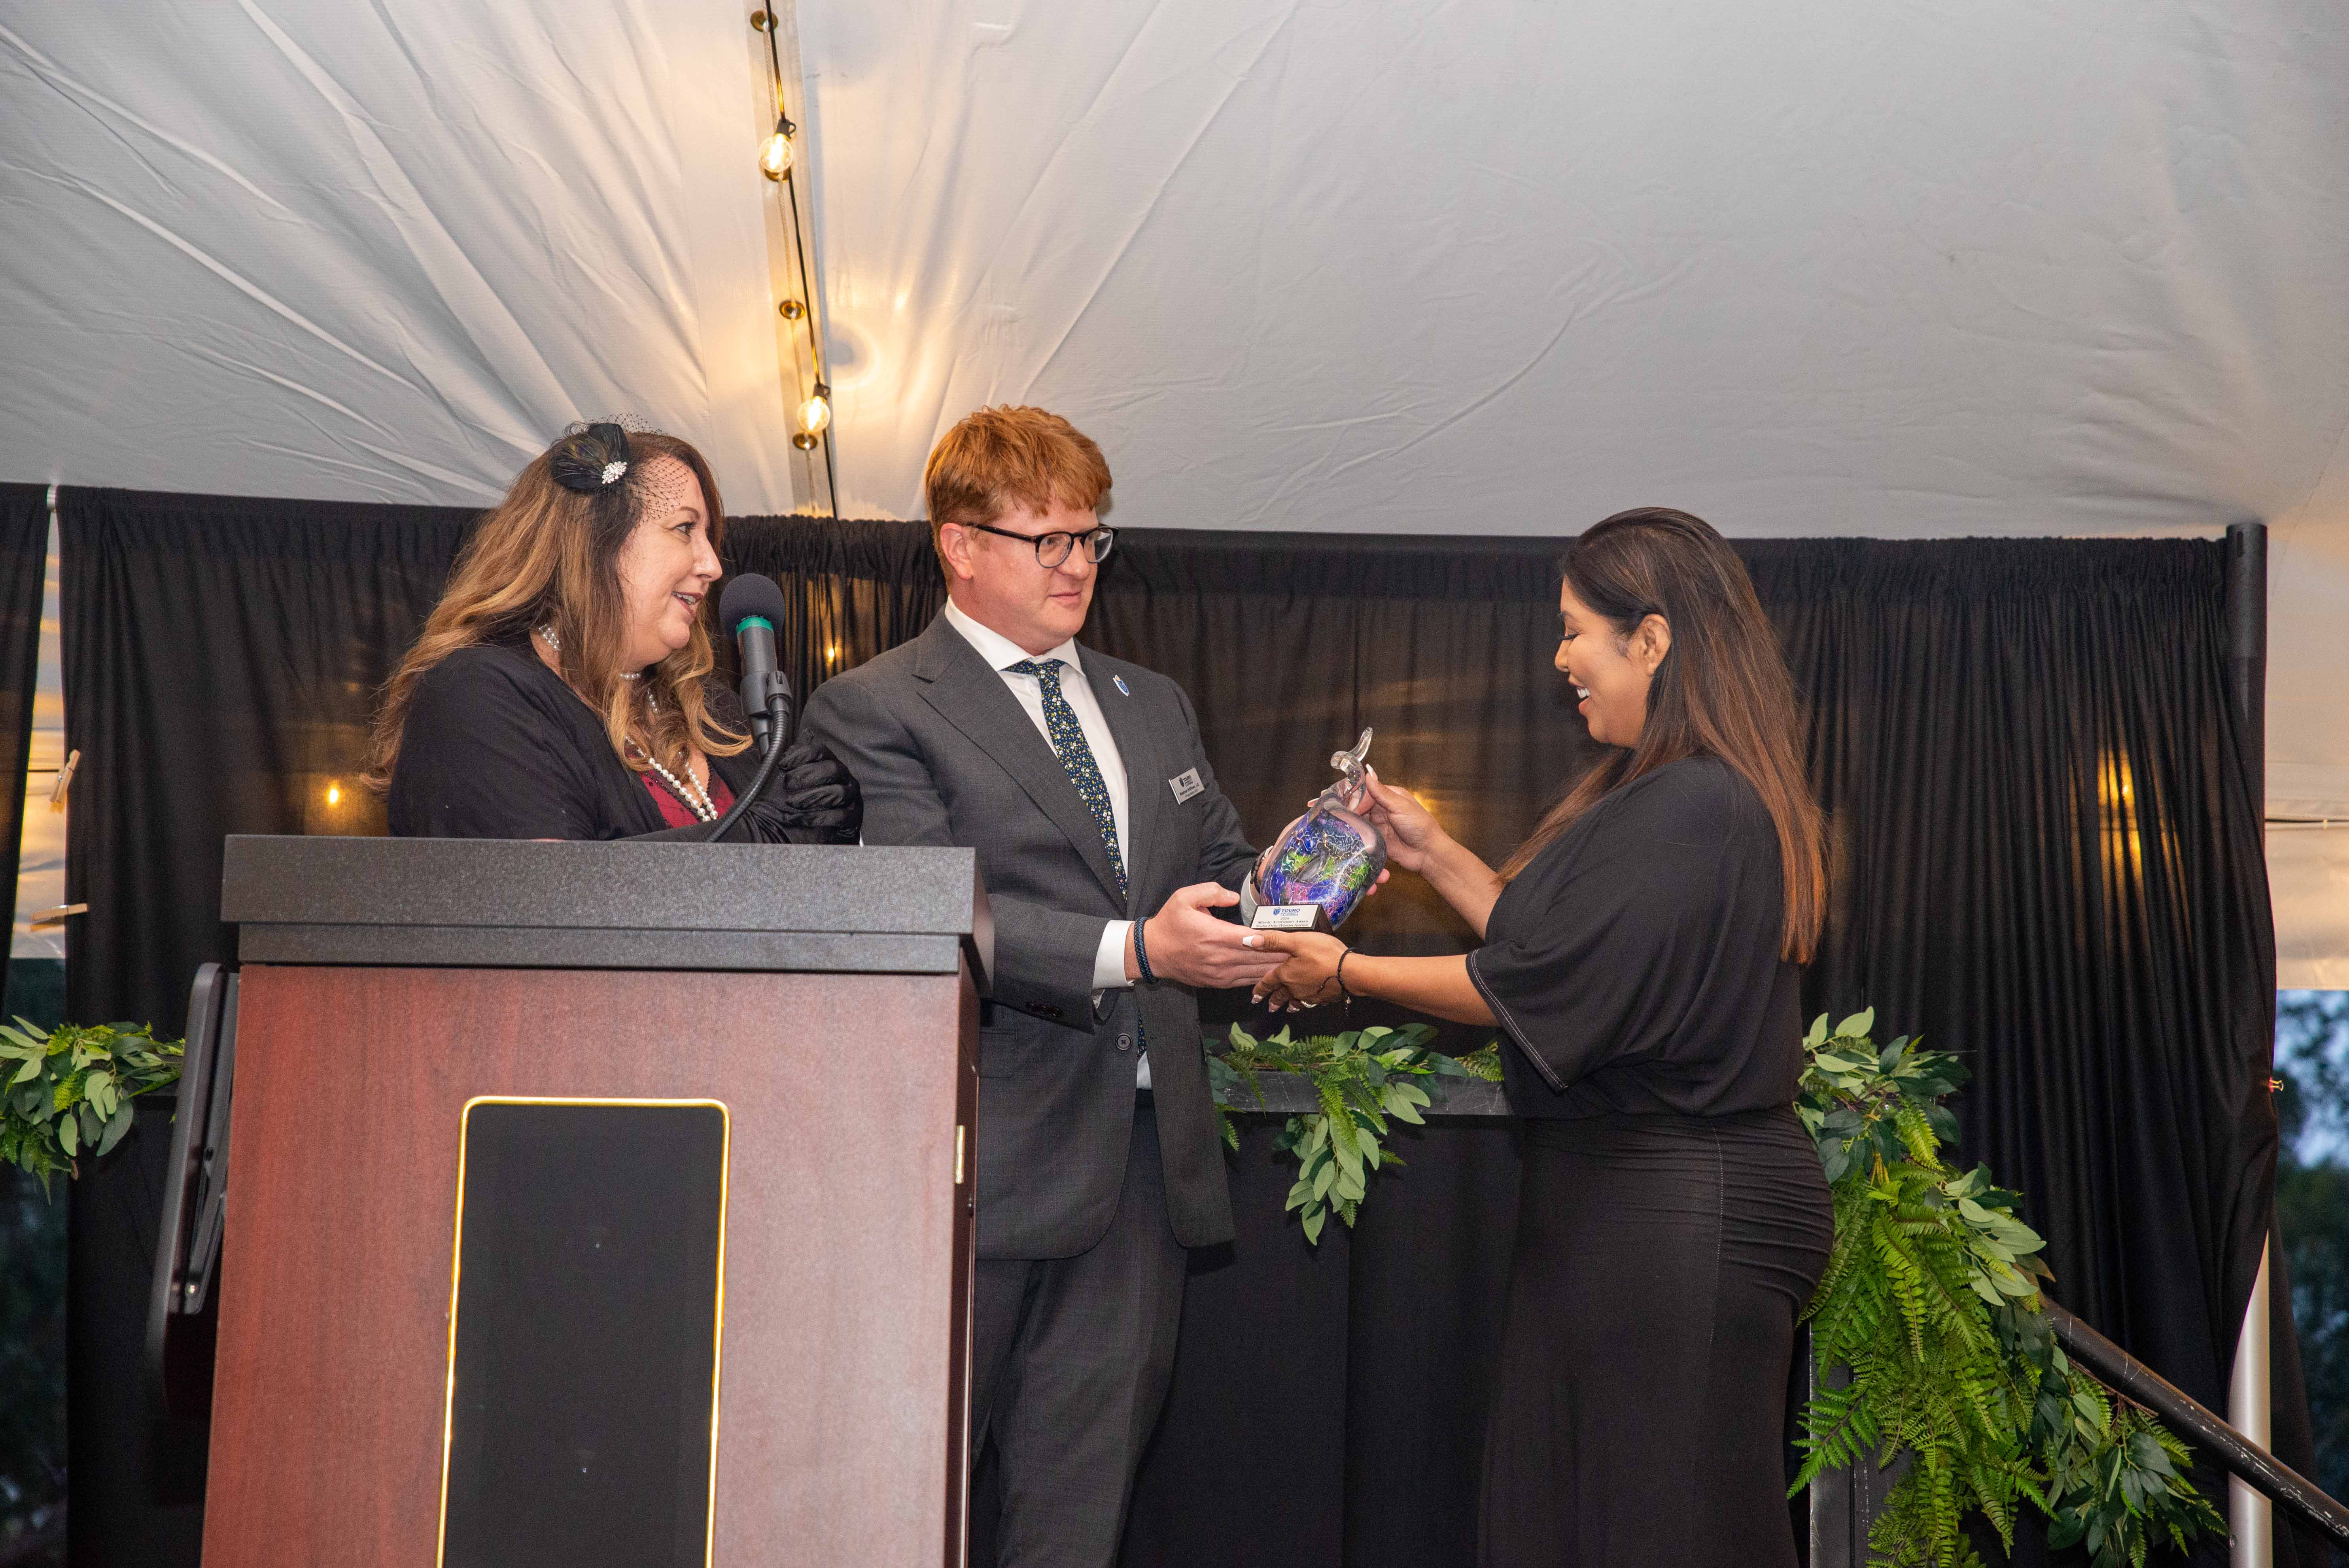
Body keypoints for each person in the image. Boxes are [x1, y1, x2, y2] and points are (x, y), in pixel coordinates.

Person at [1247, 507, 1835, 1568]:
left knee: (1664, 1524)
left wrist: (1340, 968)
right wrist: (1429, 850)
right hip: (1635, 1205)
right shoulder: (1675, 792)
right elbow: (1548, 943)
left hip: (1679, 1209)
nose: (1560, 658)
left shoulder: (1695, 800)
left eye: (1575, 631)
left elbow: (1530, 978)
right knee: (1586, 1513)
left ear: (1649, 639)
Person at [800, 406, 1281, 1567]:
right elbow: (932, 915)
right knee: (904, 1510)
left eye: (1092, 539)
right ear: (960, 544)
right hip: (972, 1167)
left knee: (1077, 1522)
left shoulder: (1149, 700)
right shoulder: (881, 705)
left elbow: (1222, 873)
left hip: (1138, 1173)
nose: (1078, 565)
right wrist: (1139, 951)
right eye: (1048, 539)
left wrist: (1311, 876)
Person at [369, 421, 860, 843]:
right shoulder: (479, 696)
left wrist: (829, 835)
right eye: (685, 528)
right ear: (596, 544)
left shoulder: (711, 711)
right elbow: (555, 910)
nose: (712, 564)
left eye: (710, 537)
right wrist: (752, 838)